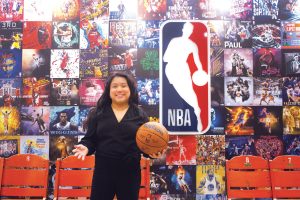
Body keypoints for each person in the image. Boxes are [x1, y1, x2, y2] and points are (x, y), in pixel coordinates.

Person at [72, 72, 163, 199]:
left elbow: (146, 144)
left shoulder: (140, 115)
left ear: (130, 89)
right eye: (114, 86)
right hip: (103, 172)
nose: (119, 89)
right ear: (108, 91)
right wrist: (86, 147)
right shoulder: (97, 113)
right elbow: (90, 139)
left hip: (130, 173)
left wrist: (152, 153)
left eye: (123, 86)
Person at [163, 22, 206, 132]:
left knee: (189, 92)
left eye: (190, 29)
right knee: (176, 94)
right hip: (172, 69)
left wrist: (200, 71)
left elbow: (197, 61)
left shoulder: (192, 45)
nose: (188, 31)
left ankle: (197, 112)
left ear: (191, 32)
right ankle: (193, 112)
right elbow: (165, 58)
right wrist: (175, 56)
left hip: (183, 69)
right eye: (187, 28)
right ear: (183, 29)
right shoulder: (174, 41)